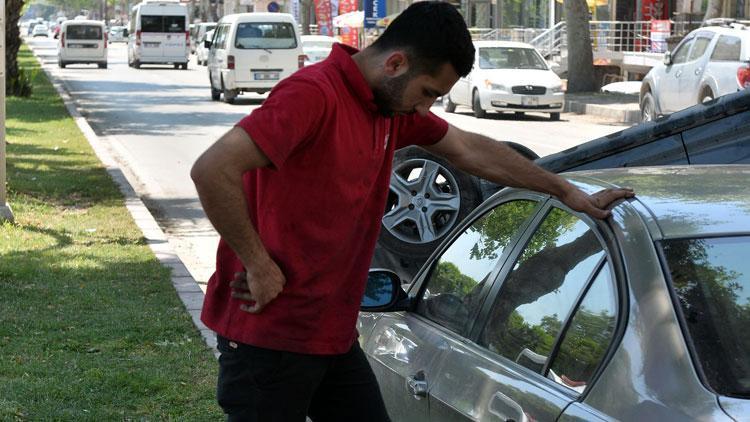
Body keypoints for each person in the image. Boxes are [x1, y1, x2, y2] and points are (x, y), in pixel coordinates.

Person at [190, 2, 634, 421]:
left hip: (331, 335)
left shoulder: (389, 109)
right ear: (396, 63)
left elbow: (469, 150)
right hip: (271, 336)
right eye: (428, 92)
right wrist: (257, 261)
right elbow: (213, 169)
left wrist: (566, 191)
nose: (427, 107)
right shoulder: (312, 96)